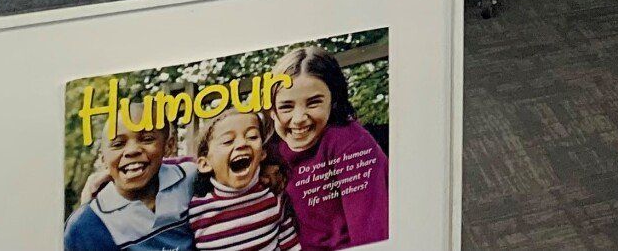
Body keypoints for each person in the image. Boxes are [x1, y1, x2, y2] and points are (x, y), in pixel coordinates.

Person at [268, 47, 388, 250]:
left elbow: (372, 234)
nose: (298, 119)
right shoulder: (270, 149)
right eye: (286, 107)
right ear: (272, 110)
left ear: (334, 101)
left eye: (313, 103)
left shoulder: (351, 143)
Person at [64, 118, 196, 250]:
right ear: (103, 157)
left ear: (169, 146)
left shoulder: (191, 179)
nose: (132, 150)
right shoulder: (88, 224)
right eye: (118, 144)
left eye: (147, 139)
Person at [188, 108, 301, 250]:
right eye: (228, 141)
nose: (242, 144)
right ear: (205, 164)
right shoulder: (197, 210)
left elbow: (291, 245)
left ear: (262, 154)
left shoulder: (273, 198)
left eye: (252, 137)